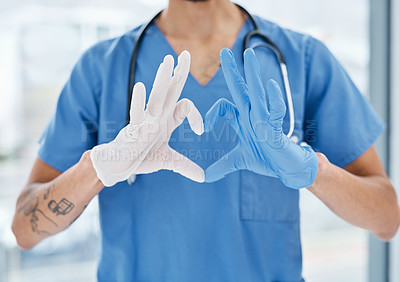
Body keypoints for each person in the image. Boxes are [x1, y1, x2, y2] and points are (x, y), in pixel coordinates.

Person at [11, 0, 400, 281]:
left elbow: (386, 218)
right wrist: (94, 170)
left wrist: (314, 171)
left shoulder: (300, 60)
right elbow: (24, 231)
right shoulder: (101, 68)